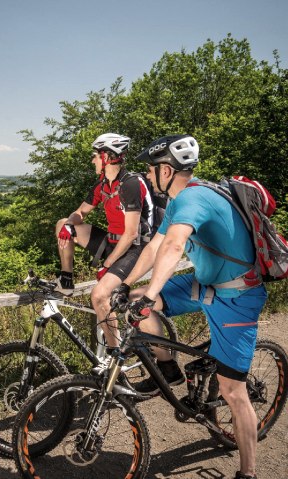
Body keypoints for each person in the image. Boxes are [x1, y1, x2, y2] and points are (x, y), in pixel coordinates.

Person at [111, 134, 266, 479]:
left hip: (236, 298)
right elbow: (154, 247)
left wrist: (154, 292)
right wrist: (124, 285)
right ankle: (169, 369)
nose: (149, 178)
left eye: (152, 171)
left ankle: (249, 471)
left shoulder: (194, 198)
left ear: (166, 170)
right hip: (206, 285)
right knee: (138, 303)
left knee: (233, 391)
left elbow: (175, 246)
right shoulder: (181, 200)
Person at [55, 132, 160, 354]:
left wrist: (107, 265)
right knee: (62, 223)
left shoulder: (130, 184)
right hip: (112, 243)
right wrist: (69, 225)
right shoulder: (103, 185)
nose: (92, 160)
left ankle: (115, 356)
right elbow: (81, 212)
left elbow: (131, 233)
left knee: (99, 295)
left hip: (136, 248)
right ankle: (66, 279)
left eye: (95, 156)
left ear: (106, 156)